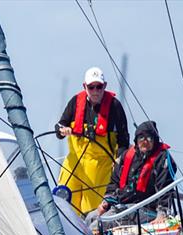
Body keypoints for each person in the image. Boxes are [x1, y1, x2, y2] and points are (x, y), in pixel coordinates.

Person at [55, 67, 129, 215]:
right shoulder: (75, 102)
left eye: (99, 87)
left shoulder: (115, 107)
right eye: (91, 87)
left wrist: (119, 163)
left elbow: (123, 141)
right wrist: (62, 130)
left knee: (93, 212)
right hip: (74, 163)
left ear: (105, 86)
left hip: (100, 166)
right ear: (84, 86)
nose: (95, 91)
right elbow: (59, 127)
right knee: (64, 203)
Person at [96, 120, 176, 223]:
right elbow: (114, 182)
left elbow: (166, 187)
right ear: (136, 140)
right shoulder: (126, 157)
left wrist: (162, 213)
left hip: (146, 210)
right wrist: (106, 201)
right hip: (121, 205)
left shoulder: (162, 158)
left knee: (100, 224)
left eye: (149, 138)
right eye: (141, 137)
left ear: (155, 140)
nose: (145, 141)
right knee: (91, 217)